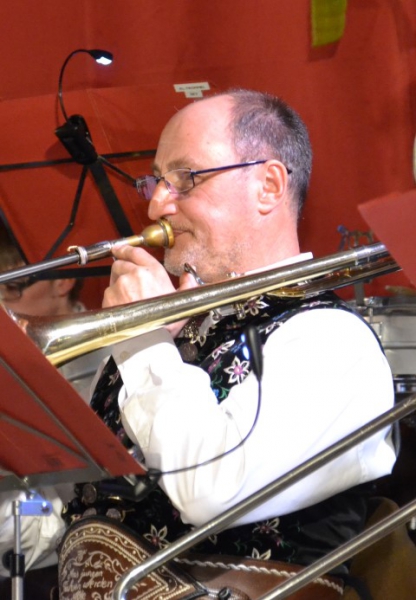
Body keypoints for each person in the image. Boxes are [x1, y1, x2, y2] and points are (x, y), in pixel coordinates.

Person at [3, 89, 398, 599]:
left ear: (268, 186)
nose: (155, 205)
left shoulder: (331, 341)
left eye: (185, 178)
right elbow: (71, 517)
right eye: (156, 181)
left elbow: (208, 488)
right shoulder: (167, 341)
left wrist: (143, 339)